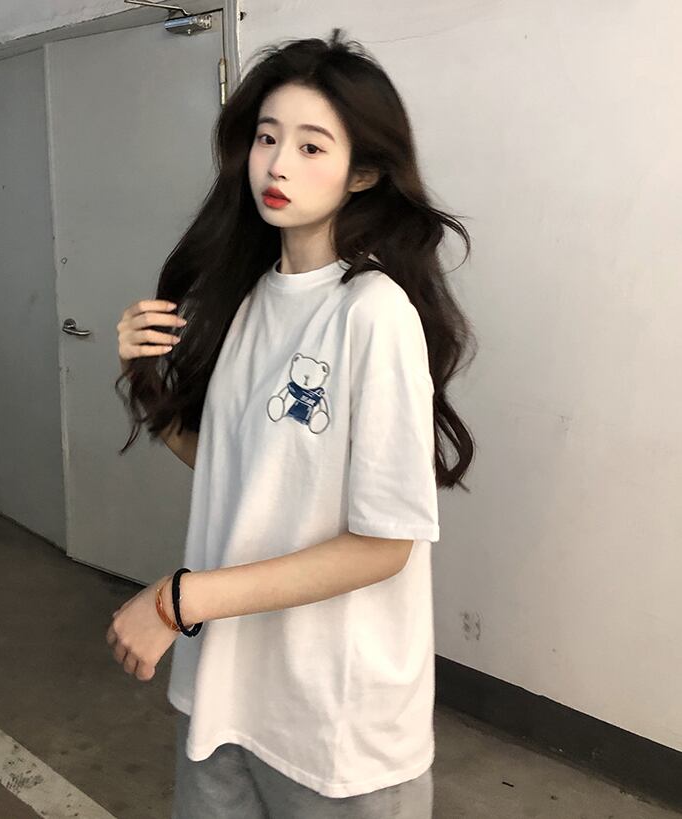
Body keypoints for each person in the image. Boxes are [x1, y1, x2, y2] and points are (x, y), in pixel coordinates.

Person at [108, 28, 476, 819]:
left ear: (363, 172)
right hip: (224, 699)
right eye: (267, 138)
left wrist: (178, 600)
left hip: (333, 729)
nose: (278, 165)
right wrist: (145, 381)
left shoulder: (372, 312)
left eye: (312, 147)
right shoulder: (245, 299)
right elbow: (241, 470)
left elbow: (383, 543)